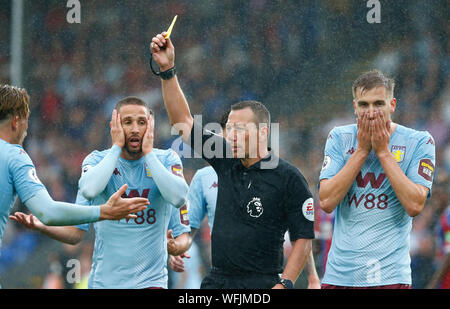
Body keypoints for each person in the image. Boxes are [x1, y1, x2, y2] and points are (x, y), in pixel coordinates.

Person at [150, 32, 315, 289]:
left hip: (263, 284)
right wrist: (167, 70)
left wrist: (285, 284)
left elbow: (303, 239)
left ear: (262, 132)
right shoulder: (225, 158)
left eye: (239, 129)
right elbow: (183, 122)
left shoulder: (288, 178)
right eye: (228, 128)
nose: (230, 135)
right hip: (218, 281)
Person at [11, 97, 191, 289]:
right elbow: (78, 225)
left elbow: (179, 201)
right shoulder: (96, 160)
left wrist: (175, 247)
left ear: (150, 126)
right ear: (114, 126)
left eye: (142, 122)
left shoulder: (166, 159)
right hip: (104, 284)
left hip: (150, 283)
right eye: (127, 122)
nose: (136, 129)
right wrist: (42, 226)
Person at [0, 85, 149, 276]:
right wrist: (104, 211)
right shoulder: (15, 155)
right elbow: (48, 212)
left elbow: (72, 233)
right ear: (16, 121)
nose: (27, 128)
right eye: (27, 120)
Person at [169, 112, 321, 288]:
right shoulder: (203, 178)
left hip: (264, 275)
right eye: (227, 132)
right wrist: (179, 249)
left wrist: (312, 276)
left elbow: (300, 233)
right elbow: (190, 228)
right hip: (222, 275)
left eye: (238, 131)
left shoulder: (274, 175)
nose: (232, 138)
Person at [318, 70, 436, 289]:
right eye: (363, 105)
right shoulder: (338, 137)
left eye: (378, 104)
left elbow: (414, 204)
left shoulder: (419, 141)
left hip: (390, 276)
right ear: (355, 107)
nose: (371, 113)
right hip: (341, 275)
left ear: (392, 105)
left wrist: (383, 152)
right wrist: (362, 150)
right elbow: (326, 201)